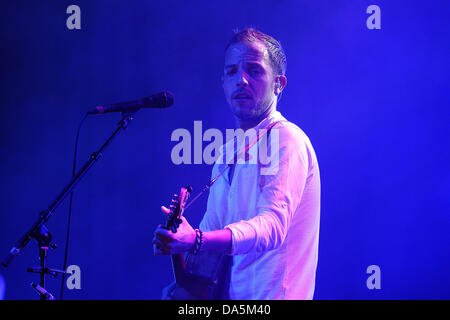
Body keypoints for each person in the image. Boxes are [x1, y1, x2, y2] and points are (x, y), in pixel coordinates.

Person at [153, 28, 321, 300]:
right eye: (232, 72)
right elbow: (208, 240)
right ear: (223, 83)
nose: (241, 80)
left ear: (279, 84)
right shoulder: (225, 154)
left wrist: (195, 240)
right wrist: (178, 239)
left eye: (254, 71)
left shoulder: (287, 138)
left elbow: (272, 227)